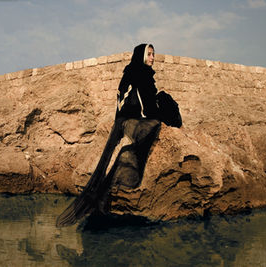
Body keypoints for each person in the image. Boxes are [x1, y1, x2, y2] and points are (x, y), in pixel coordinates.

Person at [56, 44, 181, 227]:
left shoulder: (132, 71)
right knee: (154, 124)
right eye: (150, 54)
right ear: (142, 55)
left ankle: (99, 202)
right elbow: (145, 105)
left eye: (154, 54)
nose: (153, 58)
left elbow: (125, 99)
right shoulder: (141, 73)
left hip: (125, 118)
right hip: (135, 119)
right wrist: (159, 113)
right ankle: (102, 198)